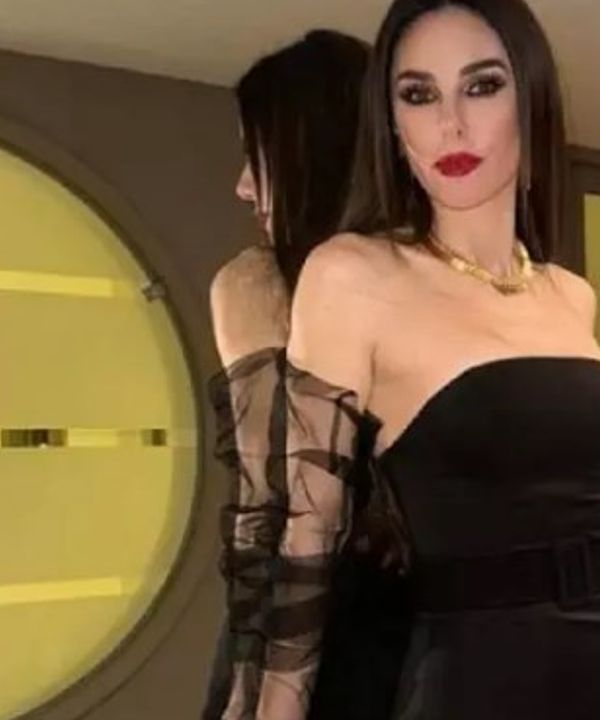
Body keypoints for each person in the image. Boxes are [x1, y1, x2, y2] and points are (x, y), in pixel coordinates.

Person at [236, 1, 600, 719]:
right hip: (477, 684)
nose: (450, 124)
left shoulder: (569, 295)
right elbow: (307, 541)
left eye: (481, 86)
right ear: (391, 124)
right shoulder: (351, 275)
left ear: (531, 101)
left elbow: (589, 519)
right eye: (418, 95)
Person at [202, 29, 412, 720]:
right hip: (324, 639)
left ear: (314, 154)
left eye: (256, 157)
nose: (241, 186)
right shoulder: (259, 286)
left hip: (416, 642)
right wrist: (249, 692)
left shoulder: (428, 283)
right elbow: (269, 516)